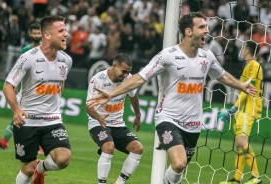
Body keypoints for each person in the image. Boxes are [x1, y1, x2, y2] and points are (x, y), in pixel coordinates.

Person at [87, 12, 257, 184]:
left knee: (179, 168)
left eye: (206, 26)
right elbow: (140, 77)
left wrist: (241, 86)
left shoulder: (207, 56)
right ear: (189, 31)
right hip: (168, 119)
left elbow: (221, 76)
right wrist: (111, 93)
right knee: (179, 161)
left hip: (193, 124)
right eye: (202, 27)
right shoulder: (168, 56)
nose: (207, 30)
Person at [3, 16, 72, 184]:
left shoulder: (66, 61)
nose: (66, 34)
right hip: (28, 122)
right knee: (27, 169)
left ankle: (40, 169)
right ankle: (33, 170)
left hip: (52, 121)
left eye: (66, 30)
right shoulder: (29, 58)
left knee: (63, 158)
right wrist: (17, 110)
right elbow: (7, 85)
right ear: (47, 35)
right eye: (61, 31)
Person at [86, 53, 143, 184]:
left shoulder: (128, 79)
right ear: (114, 65)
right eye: (123, 71)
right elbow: (88, 107)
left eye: (128, 72)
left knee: (137, 148)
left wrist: (138, 115)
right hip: (98, 122)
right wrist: (98, 117)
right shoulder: (98, 79)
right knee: (108, 147)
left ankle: (119, 183)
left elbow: (133, 96)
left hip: (118, 124)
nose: (125, 75)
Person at [0, 22, 42, 152]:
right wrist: (16, 85)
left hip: (42, 89)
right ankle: (6, 140)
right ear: (30, 34)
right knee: (21, 114)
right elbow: (20, 69)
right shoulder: (26, 50)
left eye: (38, 33)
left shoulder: (46, 49)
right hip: (28, 89)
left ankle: (7, 140)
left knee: (39, 116)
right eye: (34, 32)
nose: (36, 35)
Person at [219, 41, 263, 184]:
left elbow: (247, 89)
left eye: (243, 48)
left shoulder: (254, 66)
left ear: (248, 50)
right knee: (239, 145)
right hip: (242, 110)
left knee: (241, 141)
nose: (242, 50)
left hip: (247, 109)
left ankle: (256, 176)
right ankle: (237, 179)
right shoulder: (248, 65)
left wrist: (234, 108)